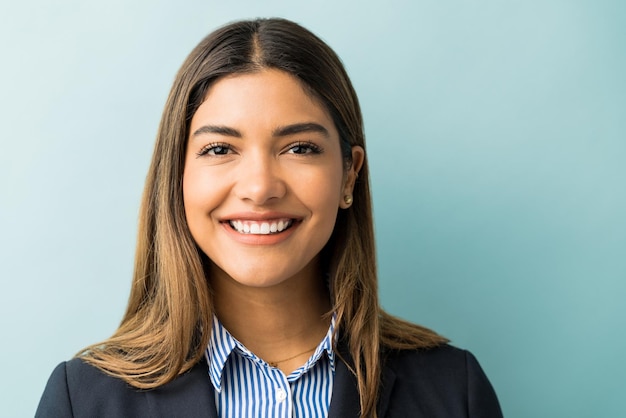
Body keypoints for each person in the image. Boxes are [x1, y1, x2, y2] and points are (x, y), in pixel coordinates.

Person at [36, 18, 503, 418]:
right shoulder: (83, 401)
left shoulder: (452, 392)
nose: (260, 188)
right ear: (176, 178)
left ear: (348, 175)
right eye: (219, 149)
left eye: (300, 148)